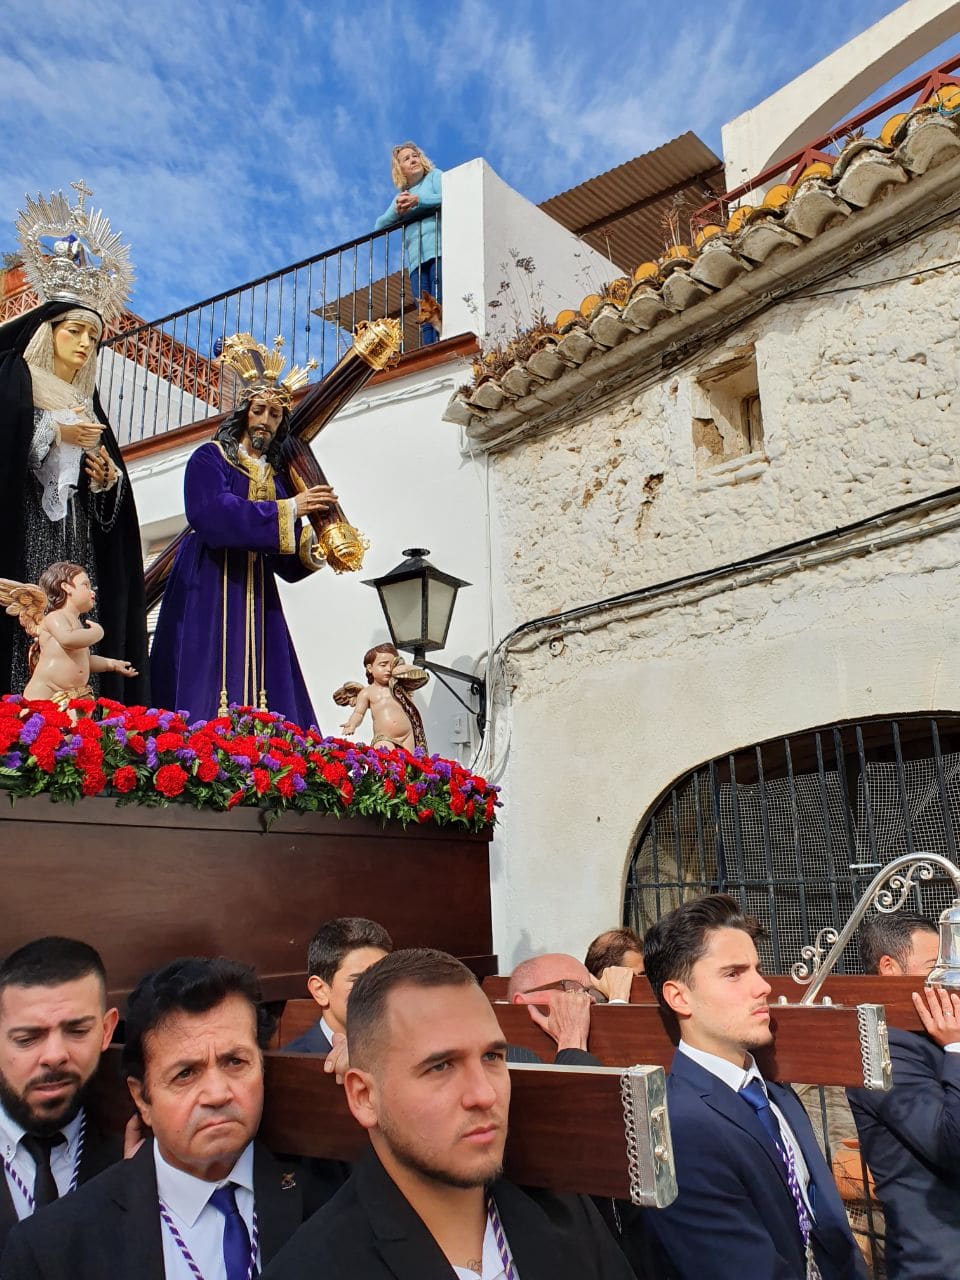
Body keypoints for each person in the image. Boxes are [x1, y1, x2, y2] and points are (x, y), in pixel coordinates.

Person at [261, 947, 635, 1279]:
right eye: (440, 1066)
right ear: (364, 1096)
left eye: (492, 1057)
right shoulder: (314, 1267)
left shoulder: (568, 1219)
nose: (484, 1094)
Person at [1, 956, 316, 1279]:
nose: (217, 1094)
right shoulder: (55, 1248)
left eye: (235, 1062)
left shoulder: (319, 1201)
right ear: (142, 1098)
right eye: (185, 1074)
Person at [641, 893, 865, 1280]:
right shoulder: (678, 1127)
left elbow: (828, 1226)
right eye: (733, 974)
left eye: (757, 970)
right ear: (679, 997)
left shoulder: (776, 1095)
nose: (762, 986)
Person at [150, 341, 337, 725]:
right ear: (243, 413)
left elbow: (285, 559)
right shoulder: (210, 457)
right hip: (210, 578)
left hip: (257, 588)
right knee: (206, 672)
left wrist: (321, 545)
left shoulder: (277, 478)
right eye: (259, 410)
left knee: (268, 681)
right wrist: (290, 508)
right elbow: (212, 513)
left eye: (275, 414)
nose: (266, 420)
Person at [0, 238, 148, 703]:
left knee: (74, 620)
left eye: (93, 336)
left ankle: (76, 720)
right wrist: (55, 432)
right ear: (49, 332)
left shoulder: (88, 403)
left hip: (76, 534)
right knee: (31, 621)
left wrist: (104, 480)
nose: (85, 343)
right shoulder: (15, 377)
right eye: (75, 331)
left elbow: (105, 502)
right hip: (27, 522)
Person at [846, 913, 958, 1278]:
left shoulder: (933, 1036)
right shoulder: (883, 1047)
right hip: (939, 1263)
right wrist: (957, 1047)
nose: (947, 978)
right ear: (889, 969)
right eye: (934, 966)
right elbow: (950, 1146)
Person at [0, 937, 121, 1254]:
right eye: (27, 1038)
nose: (55, 1056)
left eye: (77, 1031)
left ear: (107, 1030)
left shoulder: (136, 1154)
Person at [5, 562, 137, 709]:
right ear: (66, 587)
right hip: (46, 691)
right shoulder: (55, 617)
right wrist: (97, 632)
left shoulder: (77, 624)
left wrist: (111, 664)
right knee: (36, 720)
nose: (92, 591)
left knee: (76, 723)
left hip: (72, 695)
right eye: (85, 585)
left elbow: (84, 660)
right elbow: (68, 640)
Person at [283, 916, 392, 1055]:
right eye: (360, 981)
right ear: (320, 990)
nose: (379, 991)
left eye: (385, 979)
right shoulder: (292, 1062)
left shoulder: (406, 1054)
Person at [506, 952, 632, 1065]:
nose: (586, 999)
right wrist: (572, 1042)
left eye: (590, 991)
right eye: (571, 989)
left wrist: (618, 1001)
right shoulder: (509, 1058)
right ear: (522, 1002)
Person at [374, 143, 443, 344]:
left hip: (438, 251)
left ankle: (444, 342)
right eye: (407, 159)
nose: (413, 160)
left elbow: (446, 195)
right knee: (424, 311)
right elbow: (379, 225)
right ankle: (430, 349)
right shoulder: (401, 196)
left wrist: (418, 201)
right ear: (400, 169)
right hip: (415, 262)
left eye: (415, 156)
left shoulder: (435, 176)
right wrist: (397, 212)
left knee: (439, 301)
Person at [336, 643, 428, 752]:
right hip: (384, 738)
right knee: (386, 757)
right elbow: (358, 713)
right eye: (383, 665)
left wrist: (400, 668)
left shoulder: (399, 687)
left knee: (409, 761)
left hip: (407, 735)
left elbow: (422, 676)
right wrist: (352, 724)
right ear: (370, 668)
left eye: (392, 666)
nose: (388, 669)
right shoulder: (367, 692)